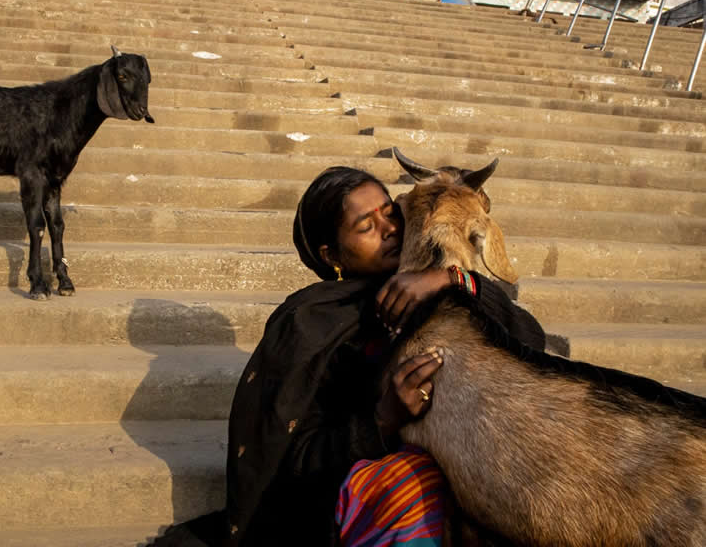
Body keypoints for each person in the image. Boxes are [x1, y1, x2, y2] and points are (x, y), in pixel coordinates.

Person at [150, 166, 546, 547]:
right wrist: (384, 418)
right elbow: (294, 460)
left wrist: (455, 280)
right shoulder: (308, 321)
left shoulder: (431, 285)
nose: (390, 230)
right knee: (413, 488)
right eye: (365, 226)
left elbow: (531, 341)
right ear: (332, 256)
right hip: (352, 489)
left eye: (390, 214)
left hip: (456, 462)